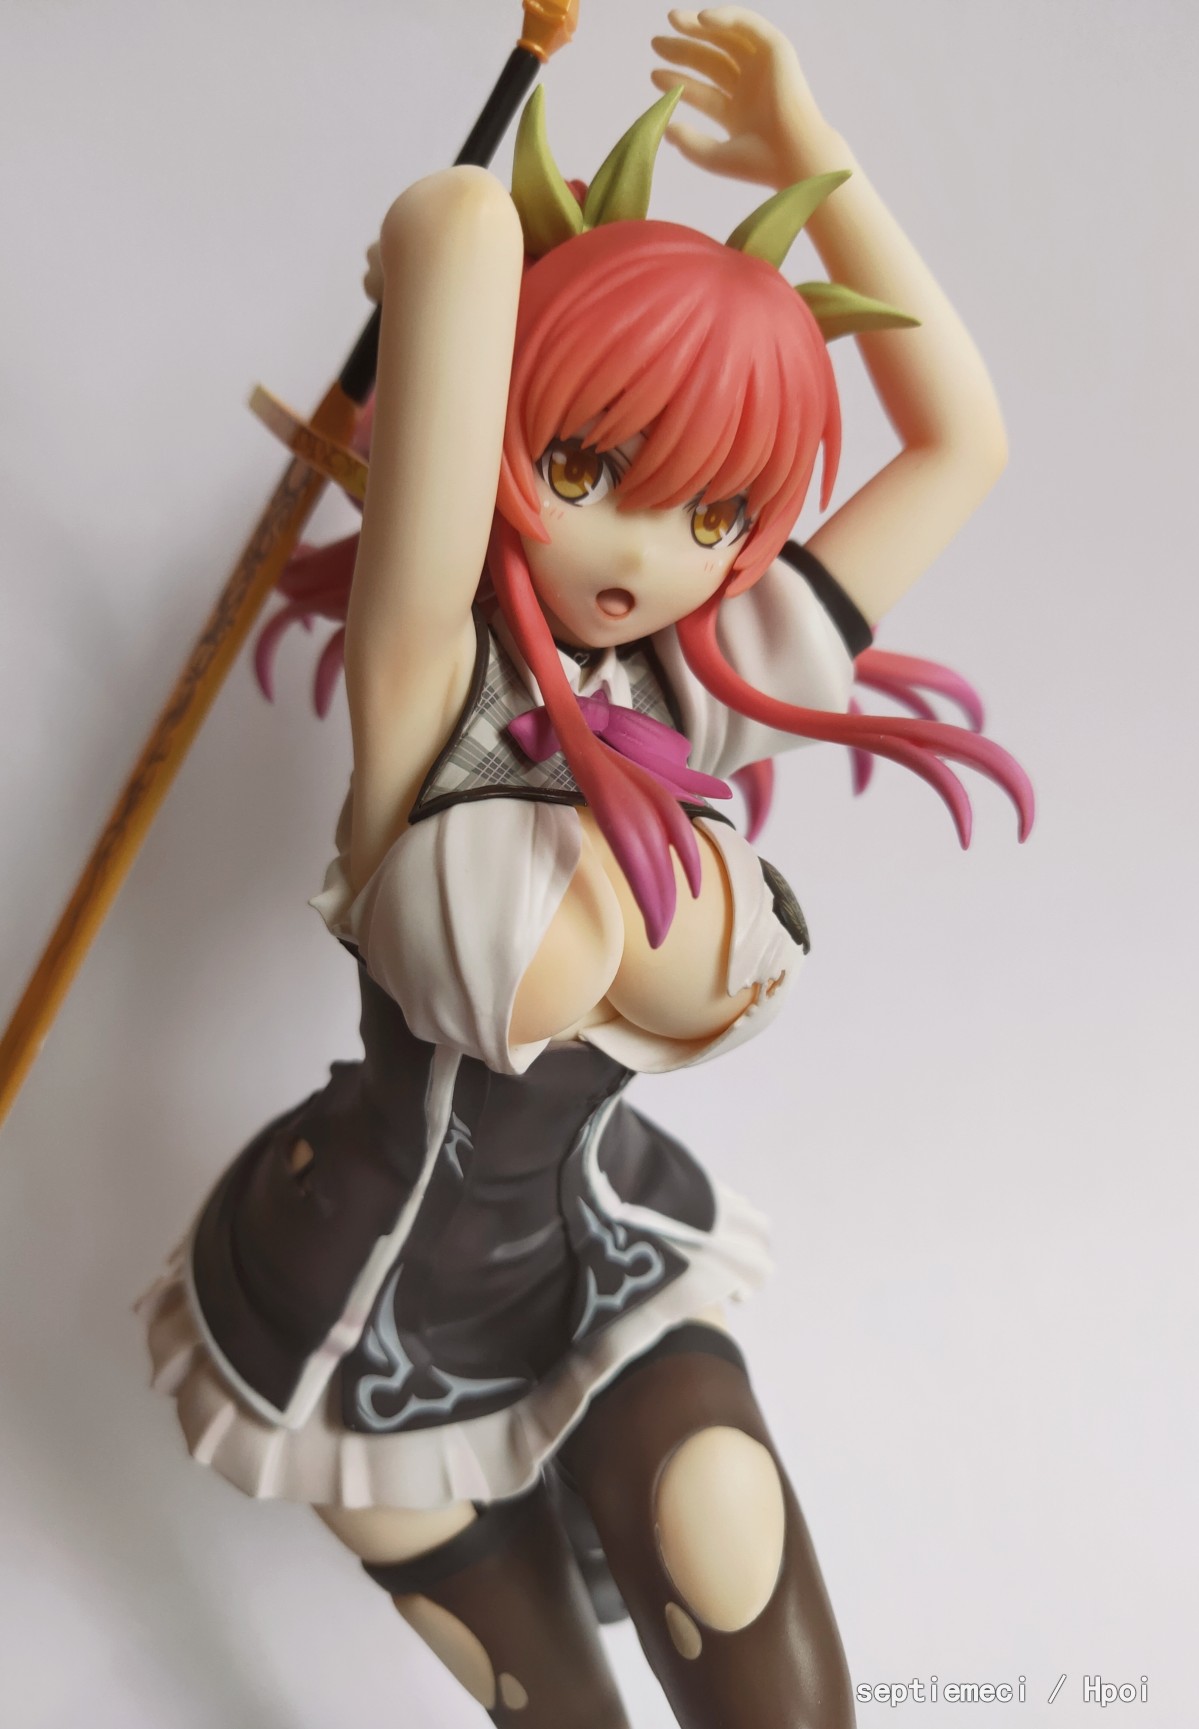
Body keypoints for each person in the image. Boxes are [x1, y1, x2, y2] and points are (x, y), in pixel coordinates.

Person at [141, 10, 1031, 1725]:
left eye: (713, 514)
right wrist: (457, 268)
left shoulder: (708, 674)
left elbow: (963, 445)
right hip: (352, 1308)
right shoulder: (430, 694)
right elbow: (457, 225)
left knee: (748, 1591)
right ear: (498, 436)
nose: (646, 549)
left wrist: (813, 154)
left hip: (591, 1256)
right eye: (582, 467)